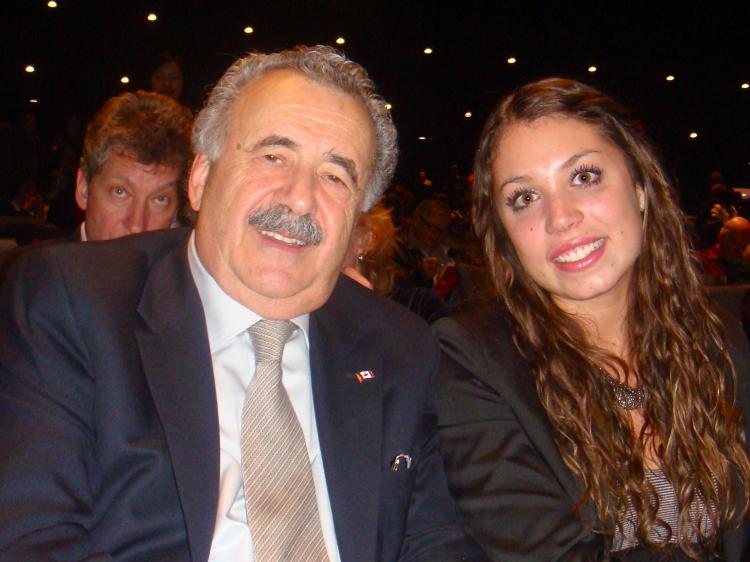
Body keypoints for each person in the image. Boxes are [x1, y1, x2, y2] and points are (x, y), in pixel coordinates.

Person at [0, 45, 485, 561]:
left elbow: (435, 540)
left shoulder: (398, 346)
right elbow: (34, 537)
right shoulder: (75, 302)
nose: (301, 198)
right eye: (273, 156)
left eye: (335, 176)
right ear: (200, 178)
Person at [436, 78, 750, 561]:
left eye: (584, 176)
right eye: (524, 198)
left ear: (640, 188)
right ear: (504, 235)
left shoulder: (717, 337)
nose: (560, 217)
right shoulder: (473, 361)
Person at [74, 90, 193, 241]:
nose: (137, 226)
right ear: (84, 189)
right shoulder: (46, 257)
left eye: (160, 199)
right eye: (119, 192)